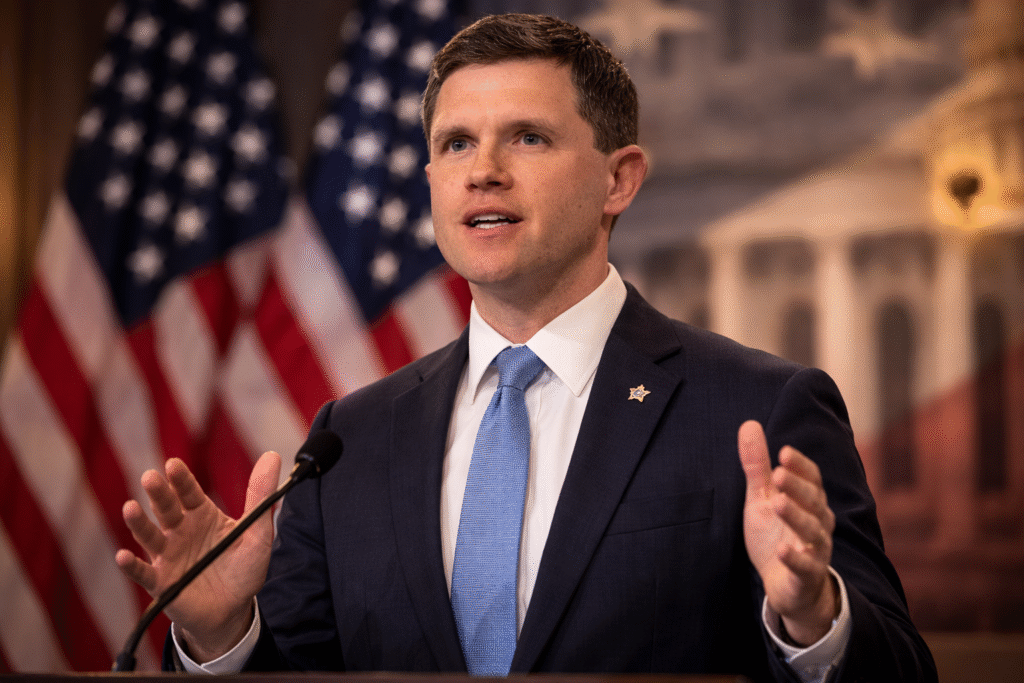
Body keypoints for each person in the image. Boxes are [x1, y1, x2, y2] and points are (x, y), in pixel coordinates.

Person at [116, 13, 937, 682]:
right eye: (456, 144)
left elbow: (902, 674)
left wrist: (812, 617)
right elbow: (300, 675)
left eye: (529, 139)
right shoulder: (350, 440)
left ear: (619, 179)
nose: (484, 172)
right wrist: (224, 635)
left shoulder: (759, 411)